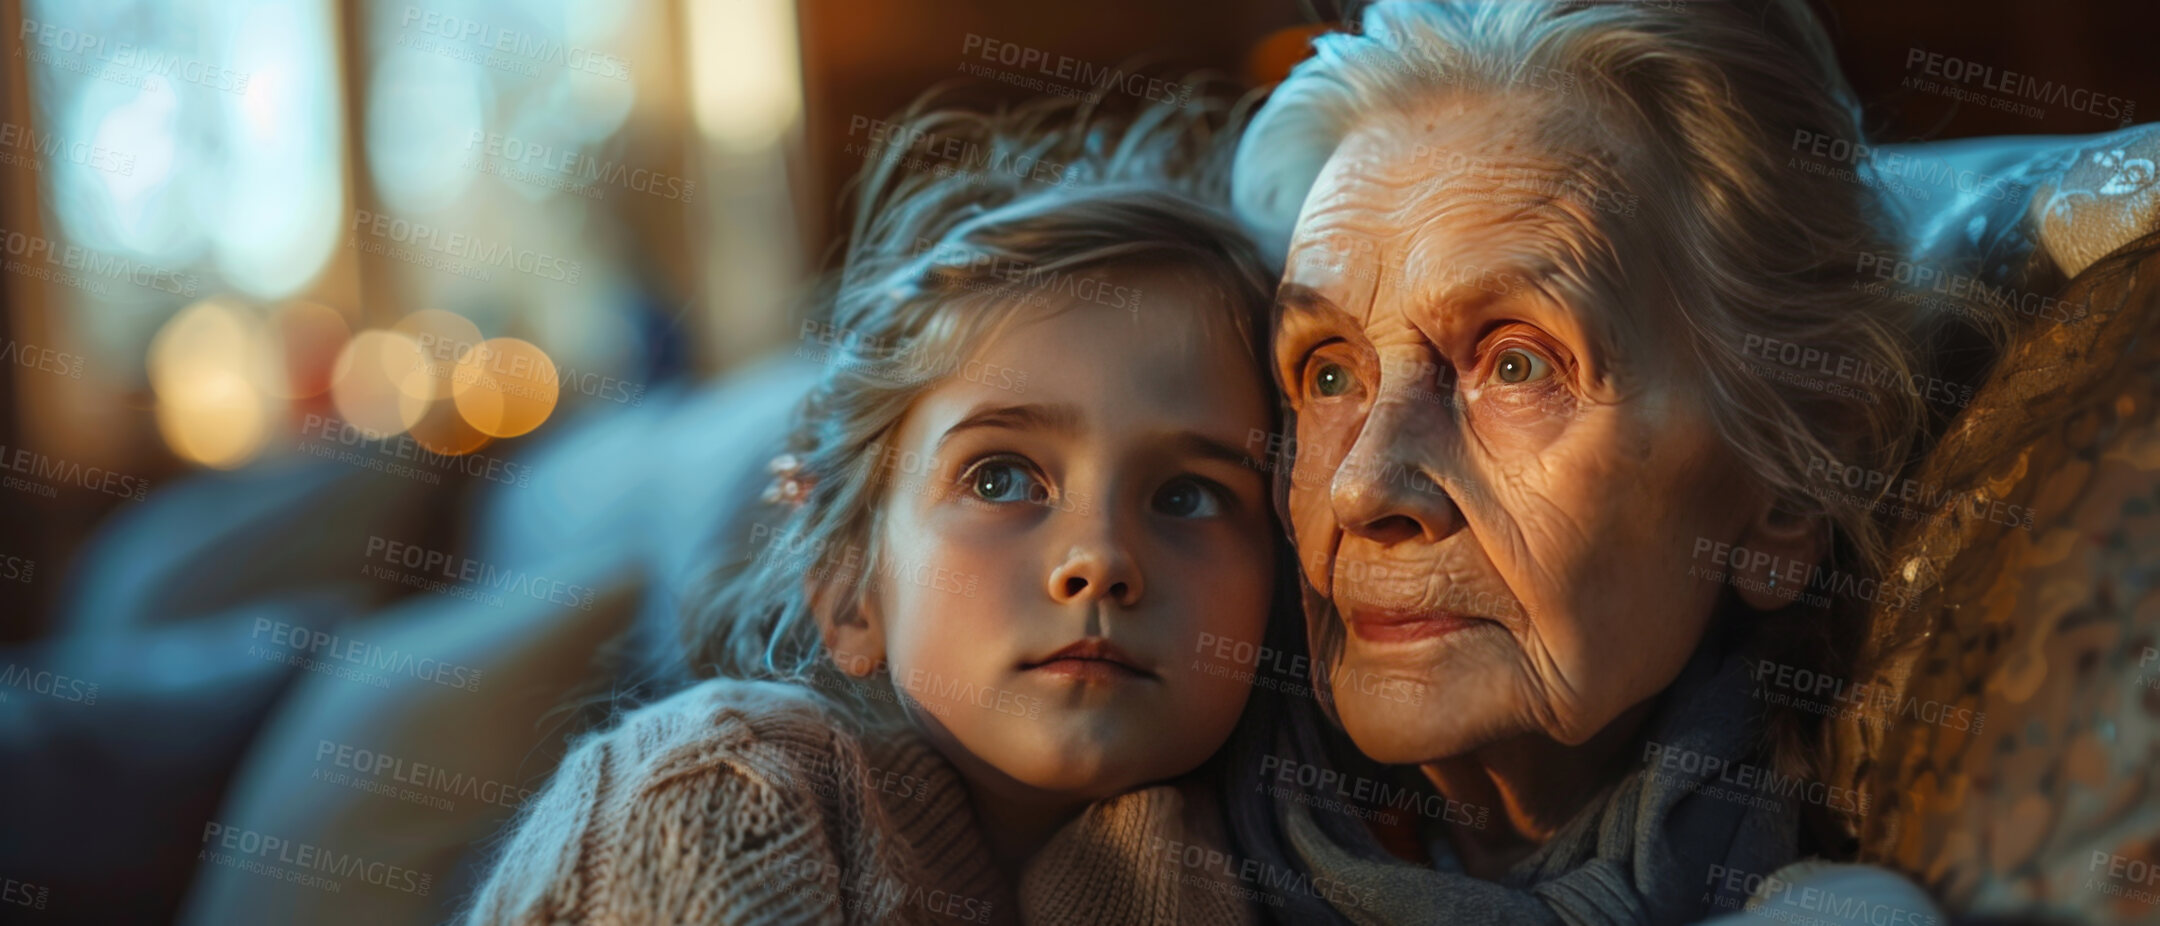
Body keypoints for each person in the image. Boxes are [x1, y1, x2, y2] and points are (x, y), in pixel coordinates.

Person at [1221, 1, 2013, 922]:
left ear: (1791, 482)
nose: (1362, 487)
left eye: (1517, 364)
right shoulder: (1099, 821)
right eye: (1325, 374)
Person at [461, 93, 1293, 925]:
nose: (1100, 558)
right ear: (850, 585)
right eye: (1001, 479)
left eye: (1189, 496)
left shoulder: (1275, 860)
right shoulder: (711, 794)